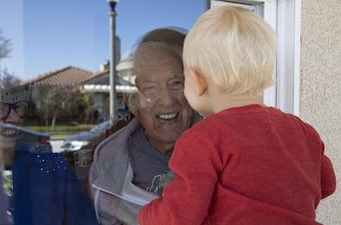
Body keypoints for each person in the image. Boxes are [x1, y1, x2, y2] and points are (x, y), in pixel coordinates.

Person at [137, 6, 337, 225]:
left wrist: (146, 215)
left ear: (197, 81)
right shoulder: (302, 131)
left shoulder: (202, 139)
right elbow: (327, 183)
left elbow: (180, 215)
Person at [88, 27, 202, 225]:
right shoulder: (109, 165)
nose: (166, 101)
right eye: (150, 87)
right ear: (133, 101)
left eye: (176, 83)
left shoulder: (221, 151)